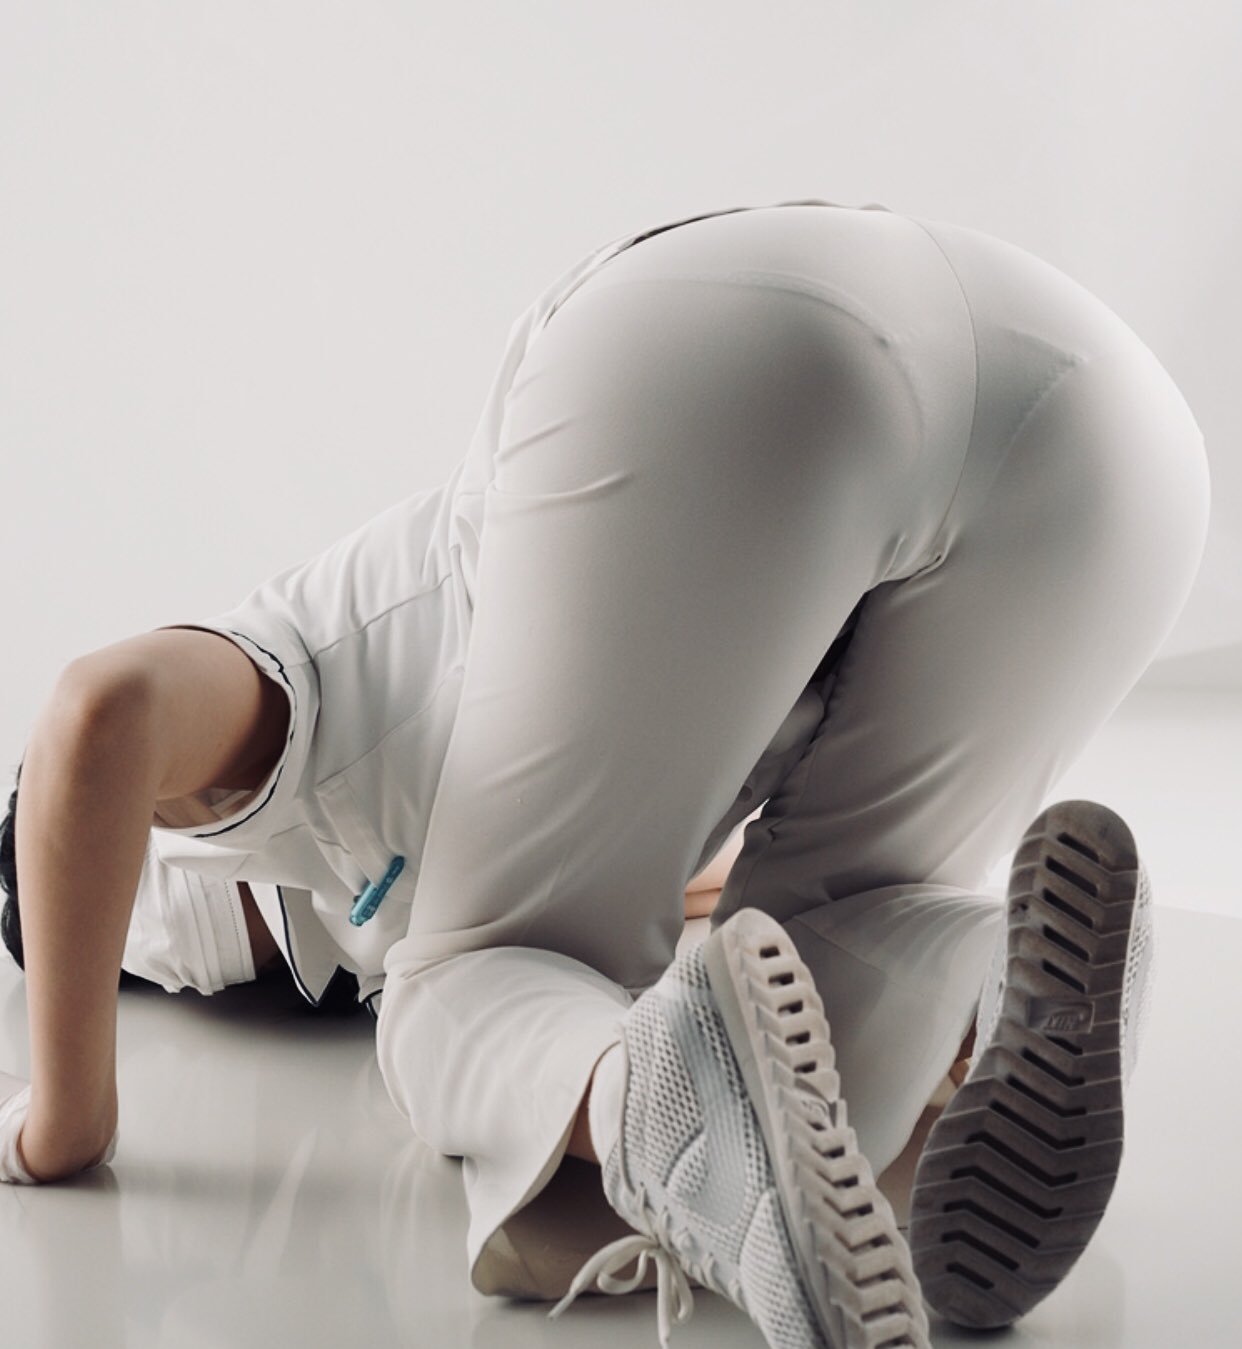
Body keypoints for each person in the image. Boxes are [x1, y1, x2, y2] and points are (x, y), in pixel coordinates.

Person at [0, 197, 1209, 1348]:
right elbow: (694, 876)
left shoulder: (286, 699)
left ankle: (683, 1116)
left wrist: (64, 1118)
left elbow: (97, 719)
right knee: (844, 925)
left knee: (462, 989)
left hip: (722, 357)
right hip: (1111, 427)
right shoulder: (510, 776)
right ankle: (990, 973)